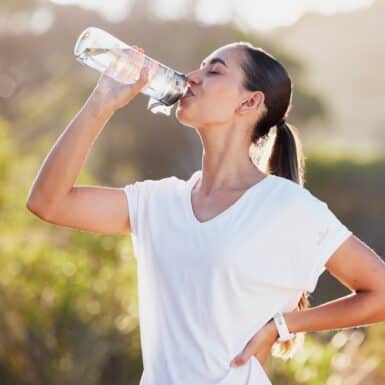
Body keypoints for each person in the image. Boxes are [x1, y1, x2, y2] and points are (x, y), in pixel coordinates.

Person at [26, 42, 385, 385]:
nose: (192, 77)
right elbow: (48, 202)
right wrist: (100, 103)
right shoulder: (158, 202)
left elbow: (379, 293)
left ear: (250, 101)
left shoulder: (288, 207)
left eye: (213, 71)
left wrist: (284, 325)